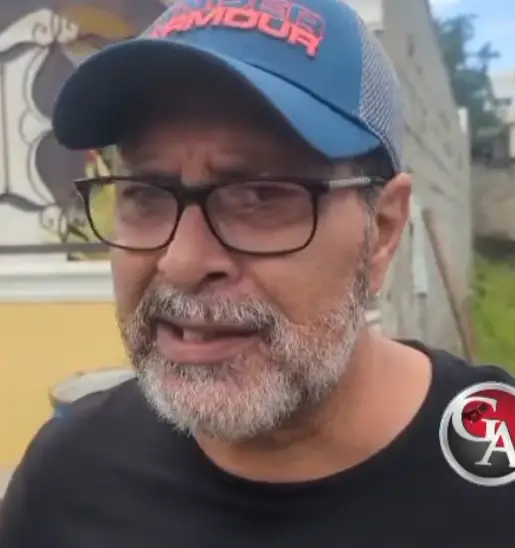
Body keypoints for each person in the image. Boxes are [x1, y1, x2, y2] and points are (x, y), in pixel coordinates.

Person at [1, 1, 514, 546]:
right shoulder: (69, 480)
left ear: (382, 230)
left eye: (261, 197)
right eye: (144, 194)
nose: (182, 262)